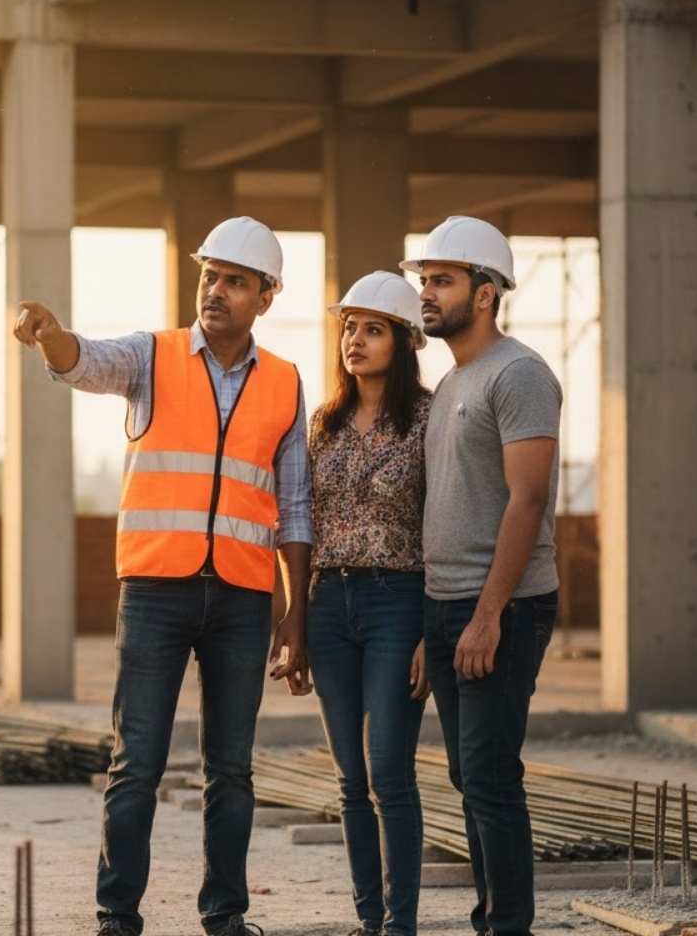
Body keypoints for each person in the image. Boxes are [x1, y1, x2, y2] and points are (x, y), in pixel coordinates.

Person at [13, 216, 314, 936]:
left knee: (231, 772)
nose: (215, 291)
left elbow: (295, 506)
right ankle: (117, 916)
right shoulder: (153, 356)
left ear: (264, 298)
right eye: (210, 276)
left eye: (235, 282)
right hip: (155, 591)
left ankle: (225, 915)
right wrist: (49, 333)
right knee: (136, 763)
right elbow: (86, 361)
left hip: (243, 597)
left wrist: (295, 614)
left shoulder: (284, 384)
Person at [402, 216, 562, 936]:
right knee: (470, 777)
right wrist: (433, 624)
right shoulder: (452, 381)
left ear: (487, 292)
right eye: (424, 280)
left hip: (503, 606)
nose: (427, 294)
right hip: (447, 606)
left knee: (490, 775)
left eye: (442, 280)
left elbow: (528, 502)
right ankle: (489, 918)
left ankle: (508, 927)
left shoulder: (519, 374)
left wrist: (488, 615)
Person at [307, 271, 433, 936]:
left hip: (398, 603)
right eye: (350, 326)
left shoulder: (428, 419)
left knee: (388, 768)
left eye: (373, 328)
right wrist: (293, 623)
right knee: (350, 778)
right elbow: (300, 522)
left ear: (404, 341)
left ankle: (401, 925)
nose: (356, 339)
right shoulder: (321, 425)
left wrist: (433, 634)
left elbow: (443, 525)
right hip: (329, 605)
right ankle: (369, 921)